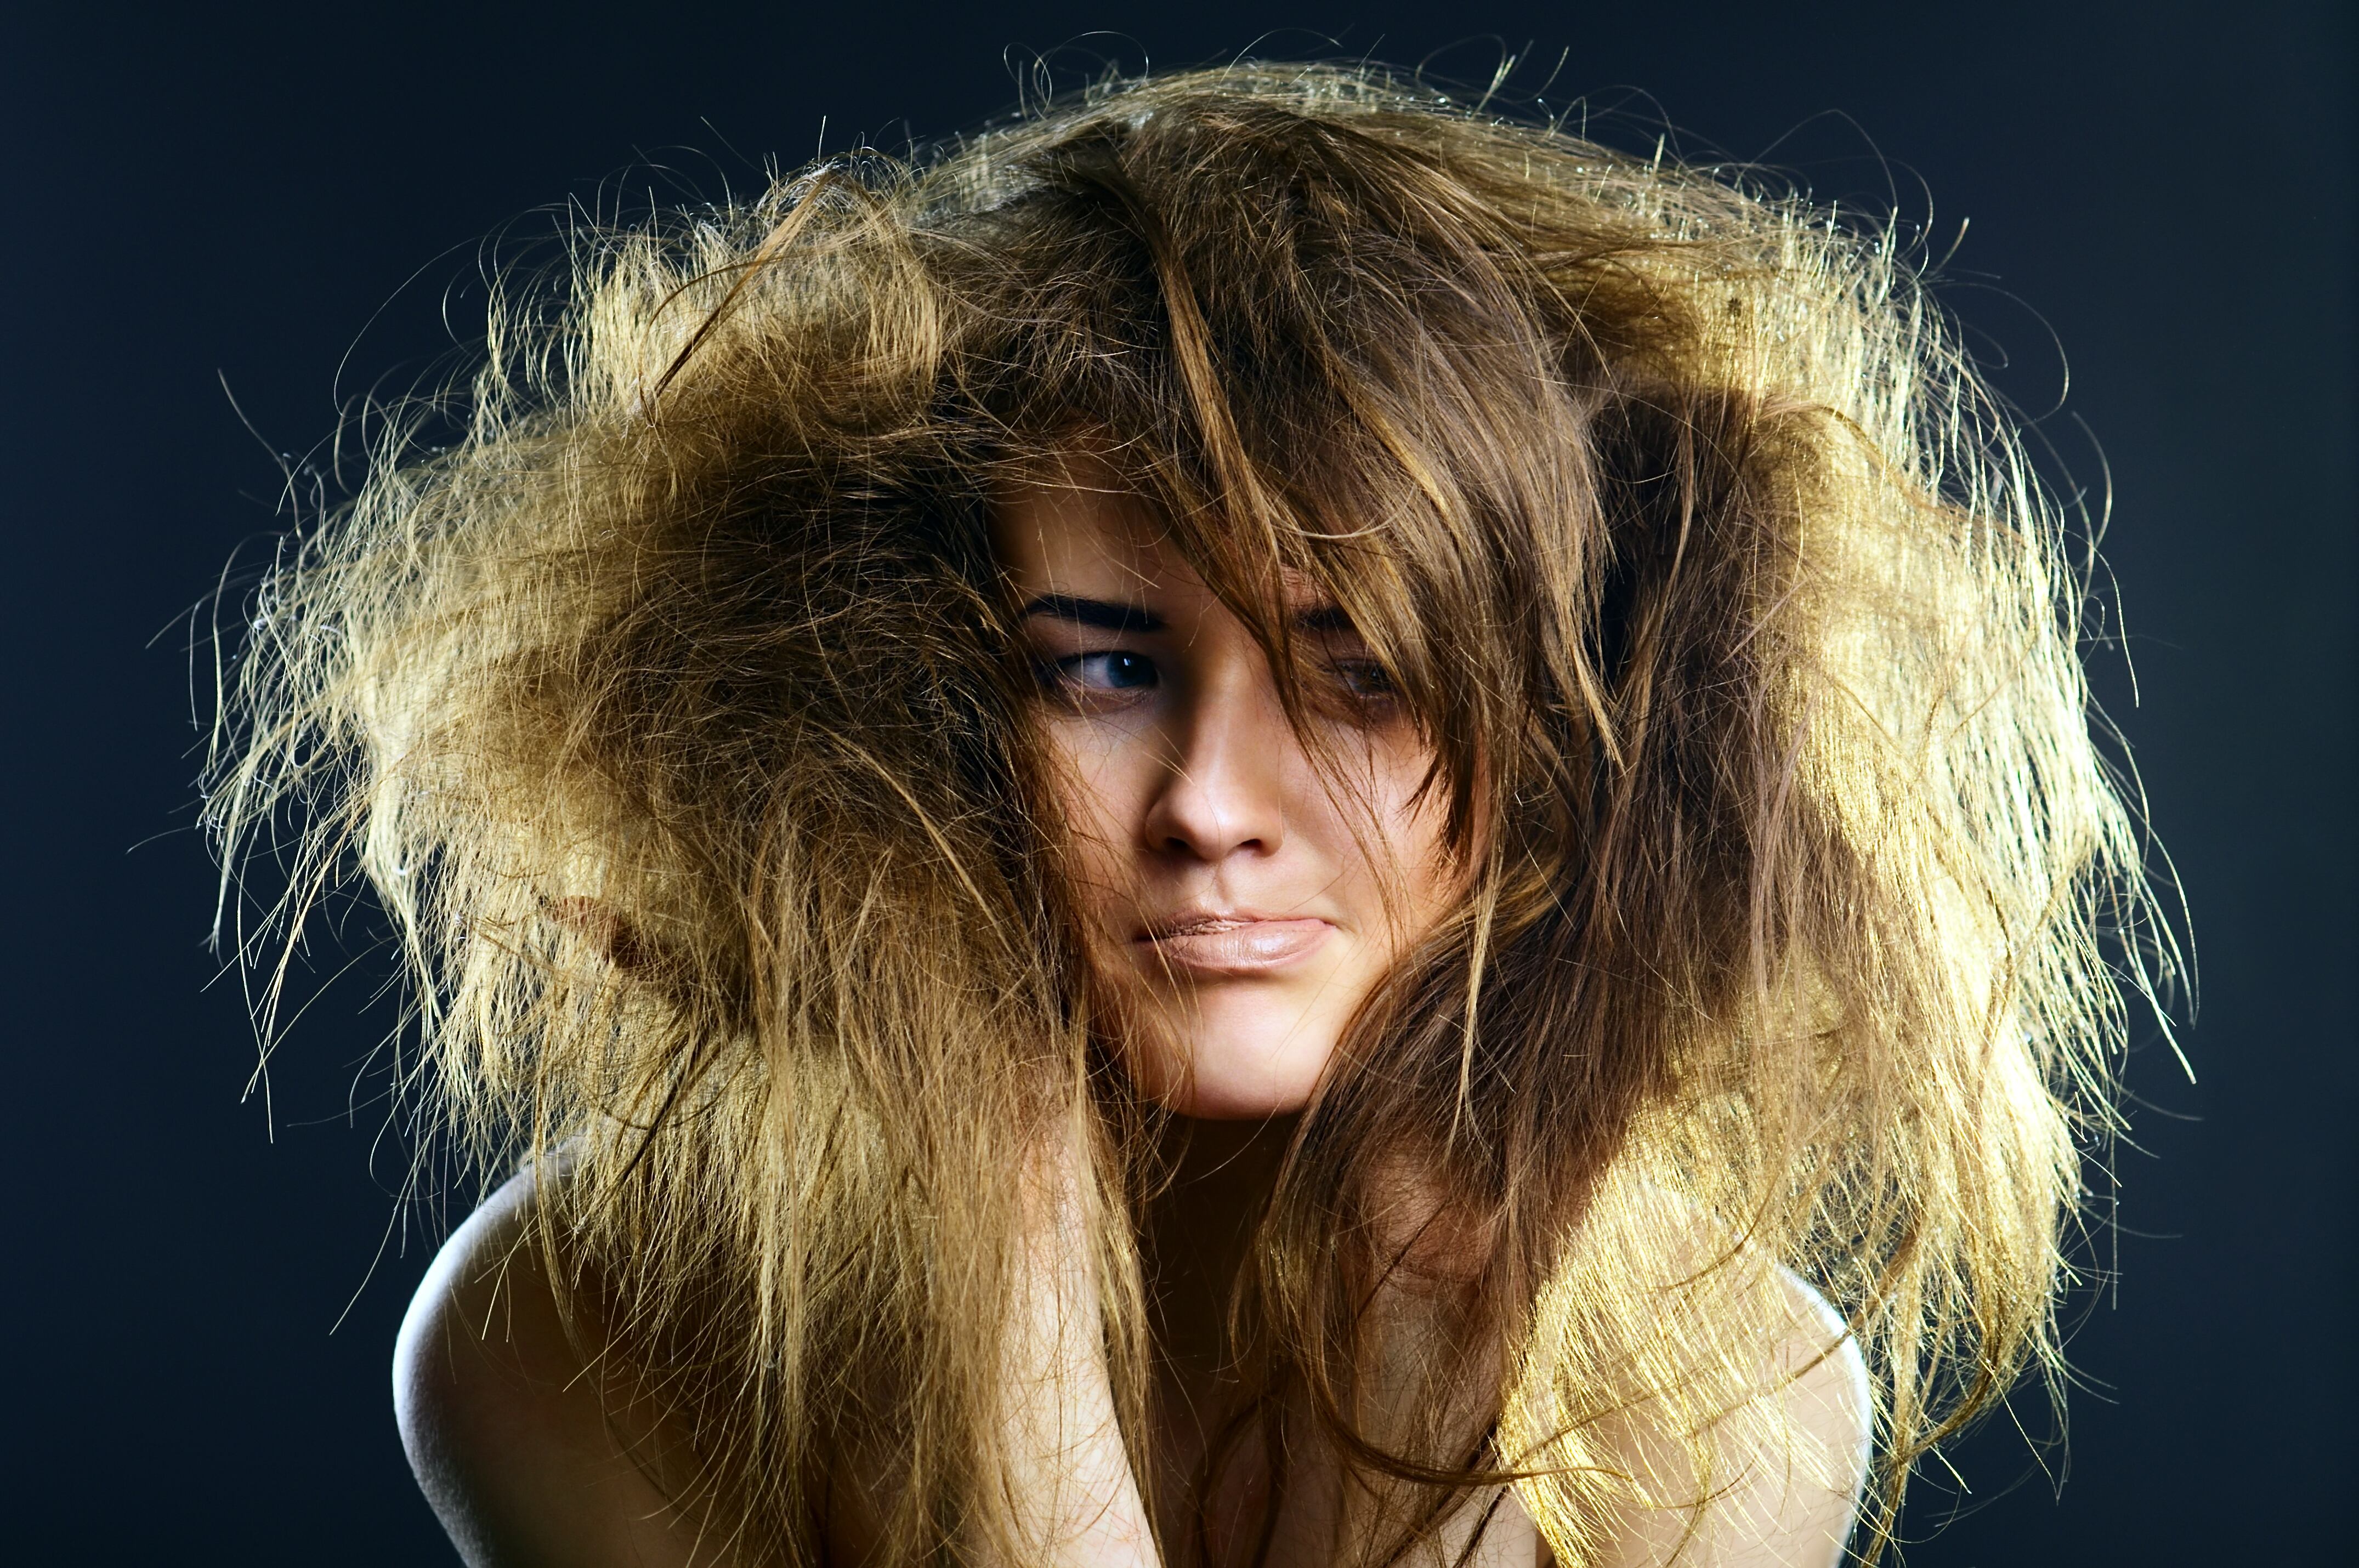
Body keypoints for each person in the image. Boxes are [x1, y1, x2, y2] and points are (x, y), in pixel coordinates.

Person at [208, 62, 2154, 1567]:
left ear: (1589, 728)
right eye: (1108, 667)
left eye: (1364, 669)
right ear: (900, 692)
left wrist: (1429, 1312)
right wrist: (1012, 1226)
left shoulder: (1729, 1395)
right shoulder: (585, 1328)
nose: (1216, 806)